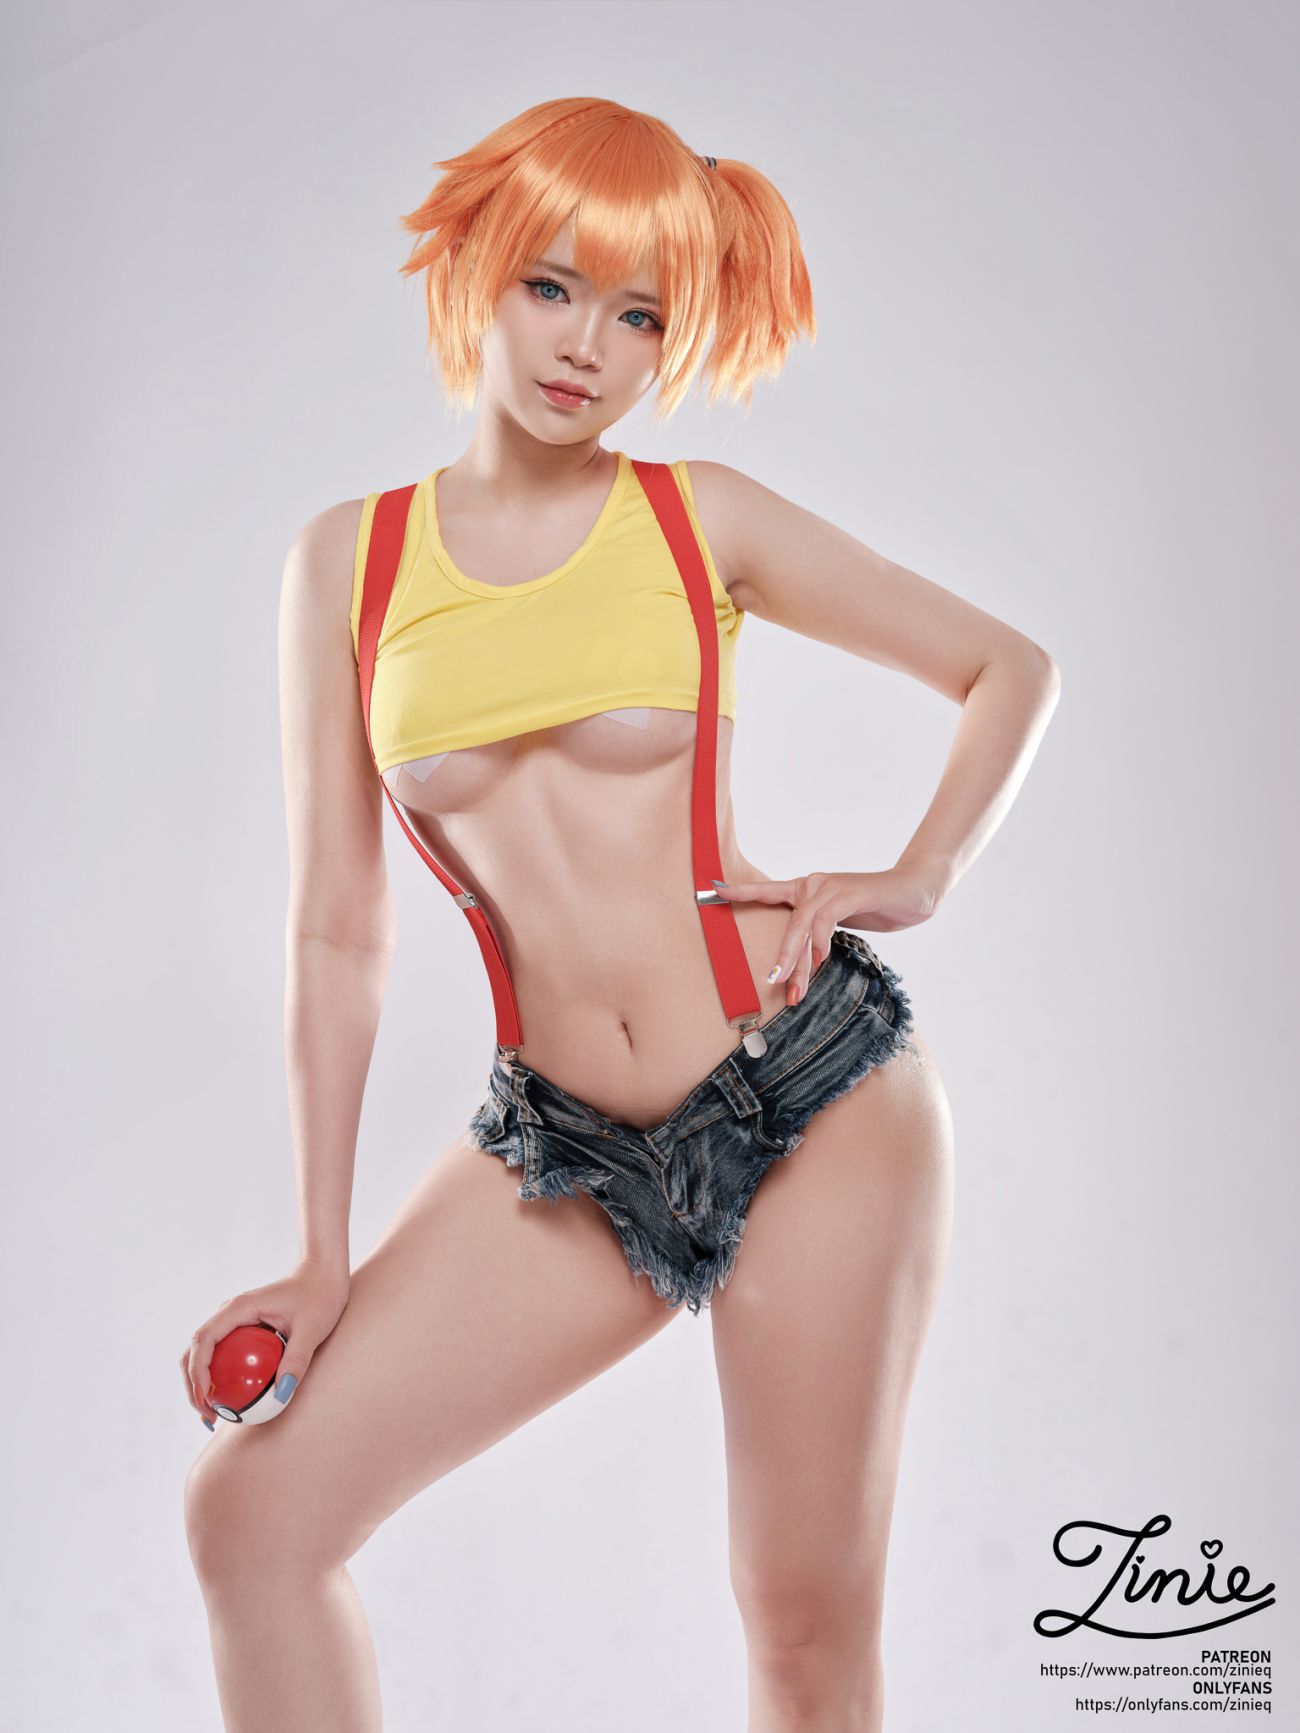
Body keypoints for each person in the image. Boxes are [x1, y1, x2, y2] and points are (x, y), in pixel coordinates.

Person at [181, 96, 1060, 1732]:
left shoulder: (696, 514)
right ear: (474, 268)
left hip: (809, 1089)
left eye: (640, 314)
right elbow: (336, 933)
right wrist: (319, 1250)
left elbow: (1007, 666)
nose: (590, 346)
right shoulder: (348, 565)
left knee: (802, 1616)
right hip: (570, 1144)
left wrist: (920, 869)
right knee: (254, 1520)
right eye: (553, 287)